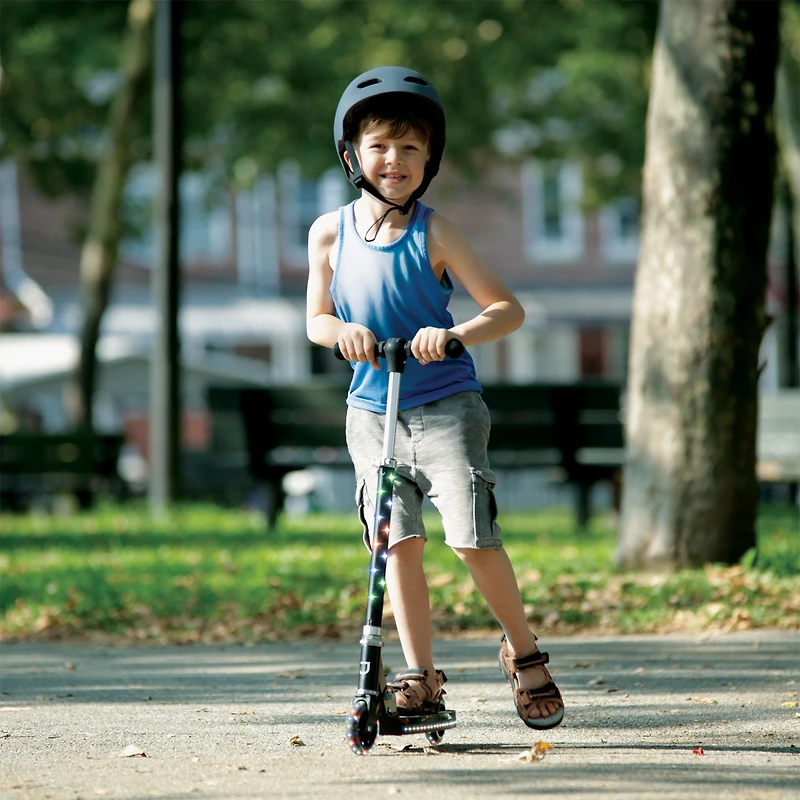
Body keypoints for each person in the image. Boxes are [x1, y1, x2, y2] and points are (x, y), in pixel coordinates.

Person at [306, 66, 564, 730]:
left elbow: (506, 310)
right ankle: (420, 677)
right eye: (380, 146)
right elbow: (315, 320)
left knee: (472, 538)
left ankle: (524, 649)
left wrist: (451, 334)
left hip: (446, 406)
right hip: (373, 411)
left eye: (411, 148)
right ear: (351, 155)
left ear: (430, 160)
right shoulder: (328, 234)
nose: (395, 160)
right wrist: (343, 333)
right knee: (397, 543)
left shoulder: (437, 232)